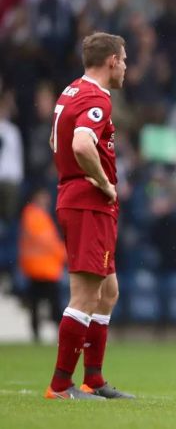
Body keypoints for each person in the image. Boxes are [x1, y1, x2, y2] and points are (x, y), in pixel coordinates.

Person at [45, 32, 135, 400]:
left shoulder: (70, 92)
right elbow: (81, 143)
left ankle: (93, 379)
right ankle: (60, 384)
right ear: (112, 60)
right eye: (125, 59)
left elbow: (56, 141)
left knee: (108, 291)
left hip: (79, 199)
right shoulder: (97, 98)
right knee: (84, 295)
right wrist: (102, 181)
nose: (127, 66)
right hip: (88, 202)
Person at [19, 188, 65, 343]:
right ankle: (57, 334)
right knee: (50, 304)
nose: (47, 200)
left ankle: (41, 334)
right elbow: (46, 242)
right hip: (42, 269)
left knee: (38, 304)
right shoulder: (34, 215)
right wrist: (64, 254)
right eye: (43, 197)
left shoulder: (37, 215)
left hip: (42, 268)